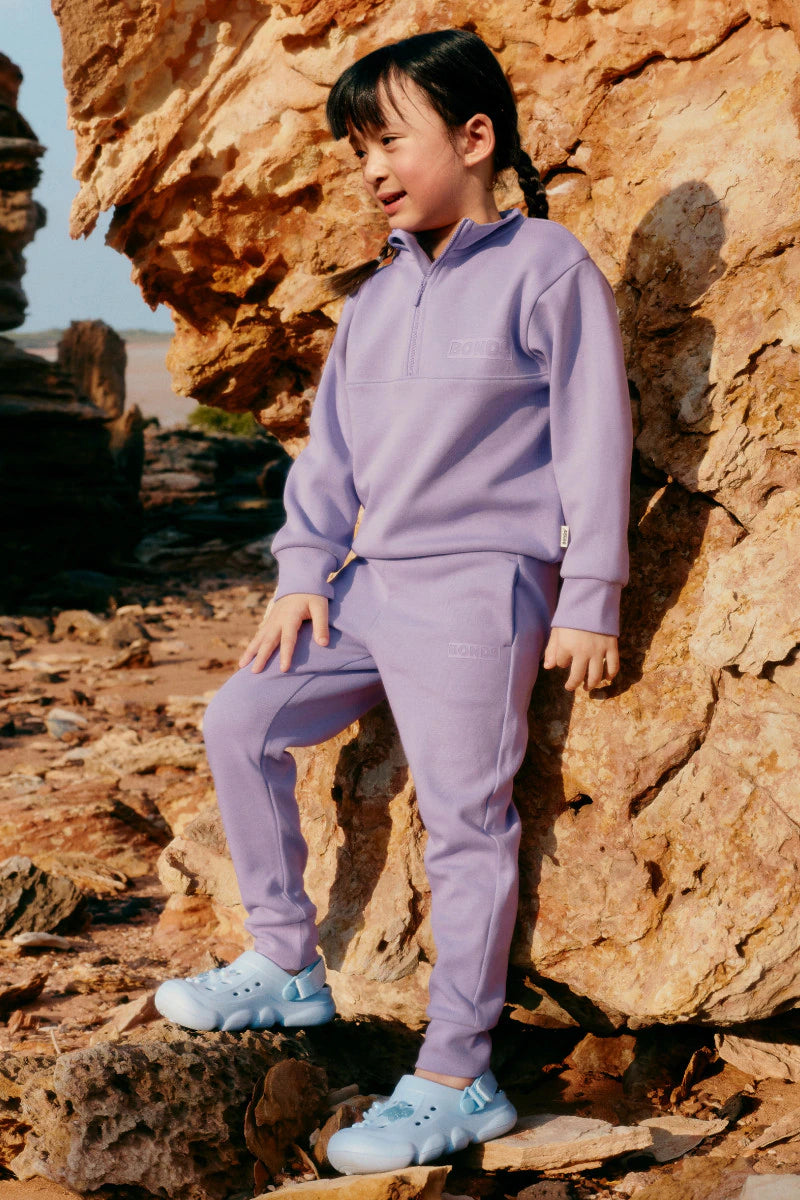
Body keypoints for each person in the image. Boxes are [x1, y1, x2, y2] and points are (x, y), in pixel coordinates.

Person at [154, 27, 633, 1176]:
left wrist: (590, 595)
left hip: (481, 591)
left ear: (473, 137)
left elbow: (592, 437)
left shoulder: (547, 268)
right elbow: (329, 460)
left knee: (466, 825)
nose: (370, 167)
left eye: (388, 141)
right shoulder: (373, 301)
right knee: (239, 721)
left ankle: (459, 1077)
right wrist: (301, 572)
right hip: (366, 587)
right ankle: (285, 962)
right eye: (355, 149)